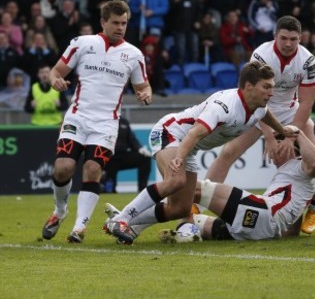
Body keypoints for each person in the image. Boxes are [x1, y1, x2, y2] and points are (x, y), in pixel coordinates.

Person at [105, 61, 298, 244]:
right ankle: (121, 220)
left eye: (272, 87)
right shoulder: (225, 106)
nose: (271, 93)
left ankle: (124, 220)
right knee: (176, 180)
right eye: (266, 87)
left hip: (188, 144)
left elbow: (266, 115)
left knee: (180, 208)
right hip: (169, 131)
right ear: (248, 86)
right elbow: (194, 132)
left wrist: (282, 130)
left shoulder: (259, 108)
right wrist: (179, 158)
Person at [41, 0, 153, 243]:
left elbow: (143, 85)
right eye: (115, 23)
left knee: (93, 170)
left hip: (106, 124)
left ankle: (79, 228)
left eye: (124, 23)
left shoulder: (134, 55)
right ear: (103, 22)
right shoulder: (83, 43)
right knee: (63, 168)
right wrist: (56, 80)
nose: (120, 27)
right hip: (78, 117)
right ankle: (60, 212)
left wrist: (146, 94)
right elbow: (56, 71)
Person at [205, 15, 315, 235]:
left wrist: (291, 135)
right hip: (259, 111)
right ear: (275, 37)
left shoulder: (308, 61)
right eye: (284, 38)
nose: (288, 43)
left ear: (300, 38)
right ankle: (198, 198)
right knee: (229, 151)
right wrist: (270, 136)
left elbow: (307, 102)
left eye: (293, 39)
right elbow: (254, 97)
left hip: (291, 113)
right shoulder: (261, 55)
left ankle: (313, 209)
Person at [155, 127, 315, 242]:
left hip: (264, 213)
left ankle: (135, 222)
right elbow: (292, 221)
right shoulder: (294, 177)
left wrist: (297, 133)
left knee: (191, 188)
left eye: (271, 148)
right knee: (194, 220)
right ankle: (188, 235)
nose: (269, 155)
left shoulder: (300, 166)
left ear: (286, 146)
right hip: (262, 231)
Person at [102, 117, 153, 193]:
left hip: (123, 155)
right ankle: (110, 190)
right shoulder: (104, 120)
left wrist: (140, 148)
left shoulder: (124, 122)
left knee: (145, 159)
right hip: (109, 157)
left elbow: (131, 139)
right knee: (110, 188)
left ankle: (142, 190)